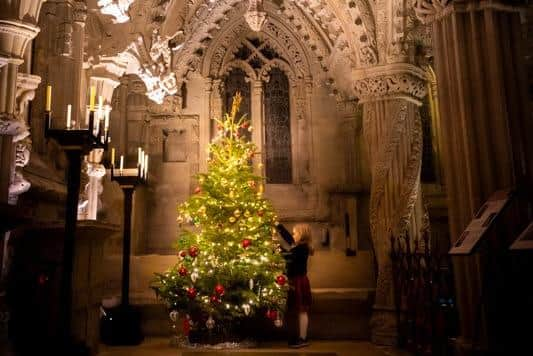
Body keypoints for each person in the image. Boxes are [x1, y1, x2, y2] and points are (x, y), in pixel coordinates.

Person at [276, 223, 314, 348]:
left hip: (299, 282)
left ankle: (302, 338)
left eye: (295, 233)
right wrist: (278, 226)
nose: (293, 235)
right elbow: (288, 239)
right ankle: (299, 337)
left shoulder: (302, 249)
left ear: (301, 235)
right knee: (298, 310)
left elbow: (288, 257)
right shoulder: (298, 246)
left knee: (302, 310)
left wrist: (277, 247)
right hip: (295, 281)